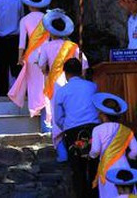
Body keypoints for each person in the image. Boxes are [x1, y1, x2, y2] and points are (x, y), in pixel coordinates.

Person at [38, 9, 88, 157]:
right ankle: (77, 148)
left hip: (55, 84)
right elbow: (84, 65)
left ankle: (62, 152)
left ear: (50, 30)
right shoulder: (73, 46)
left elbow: (42, 66)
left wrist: (48, 71)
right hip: (72, 83)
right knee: (72, 113)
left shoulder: (46, 46)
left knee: (57, 116)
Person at [54, 58, 100, 198]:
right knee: (94, 165)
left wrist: (67, 125)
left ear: (65, 73)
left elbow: (58, 118)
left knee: (77, 168)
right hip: (93, 129)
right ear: (81, 72)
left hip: (73, 131)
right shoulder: (92, 86)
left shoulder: (62, 91)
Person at [8, 0, 51, 122]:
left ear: (28, 4)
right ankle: (47, 113)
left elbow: (22, 43)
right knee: (46, 83)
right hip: (48, 53)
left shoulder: (25, 20)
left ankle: (36, 109)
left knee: (34, 84)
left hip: (32, 55)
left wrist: (19, 58)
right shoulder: (47, 18)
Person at [89, 93, 137, 198]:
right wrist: (129, 157)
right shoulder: (126, 130)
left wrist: (91, 155)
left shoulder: (97, 129)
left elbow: (95, 150)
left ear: (103, 115)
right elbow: (136, 150)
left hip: (107, 168)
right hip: (124, 167)